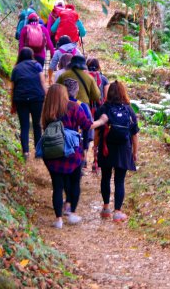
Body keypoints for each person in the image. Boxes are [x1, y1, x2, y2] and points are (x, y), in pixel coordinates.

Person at [40, 84, 93, 228]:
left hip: (52, 151)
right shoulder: (73, 107)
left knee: (57, 186)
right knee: (75, 182)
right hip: (72, 151)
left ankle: (58, 219)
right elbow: (87, 125)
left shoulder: (47, 108)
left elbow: (44, 127)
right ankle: (72, 213)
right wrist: (101, 121)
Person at [93, 81, 139, 222]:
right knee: (119, 180)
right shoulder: (129, 110)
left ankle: (106, 208)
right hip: (123, 149)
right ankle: (118, 212)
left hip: (106, 147)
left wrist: (95, 148)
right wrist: (134, 152)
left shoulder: (103, 109)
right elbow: (134, 134)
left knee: (105, 177)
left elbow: (97, 132)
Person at [61, 78, 93, 215]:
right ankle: (70, 204)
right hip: (76, 145)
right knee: (75, 176)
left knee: (64, 174)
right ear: (77, 91)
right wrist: (85, 147)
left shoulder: (58, 104)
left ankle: (66, 202)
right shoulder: (82, 106)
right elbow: (87, 128)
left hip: (60, 144)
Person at [11, 48, 47, 160]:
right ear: (32, 55)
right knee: (37, 125)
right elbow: (42, 82)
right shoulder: (37, 65)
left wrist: (12, 103)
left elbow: (12, 88)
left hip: (20, 99)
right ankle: (38, 151)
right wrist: (47, 97)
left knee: (24, 126)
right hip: (36, 98)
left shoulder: (16, 69)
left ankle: (25, 152)